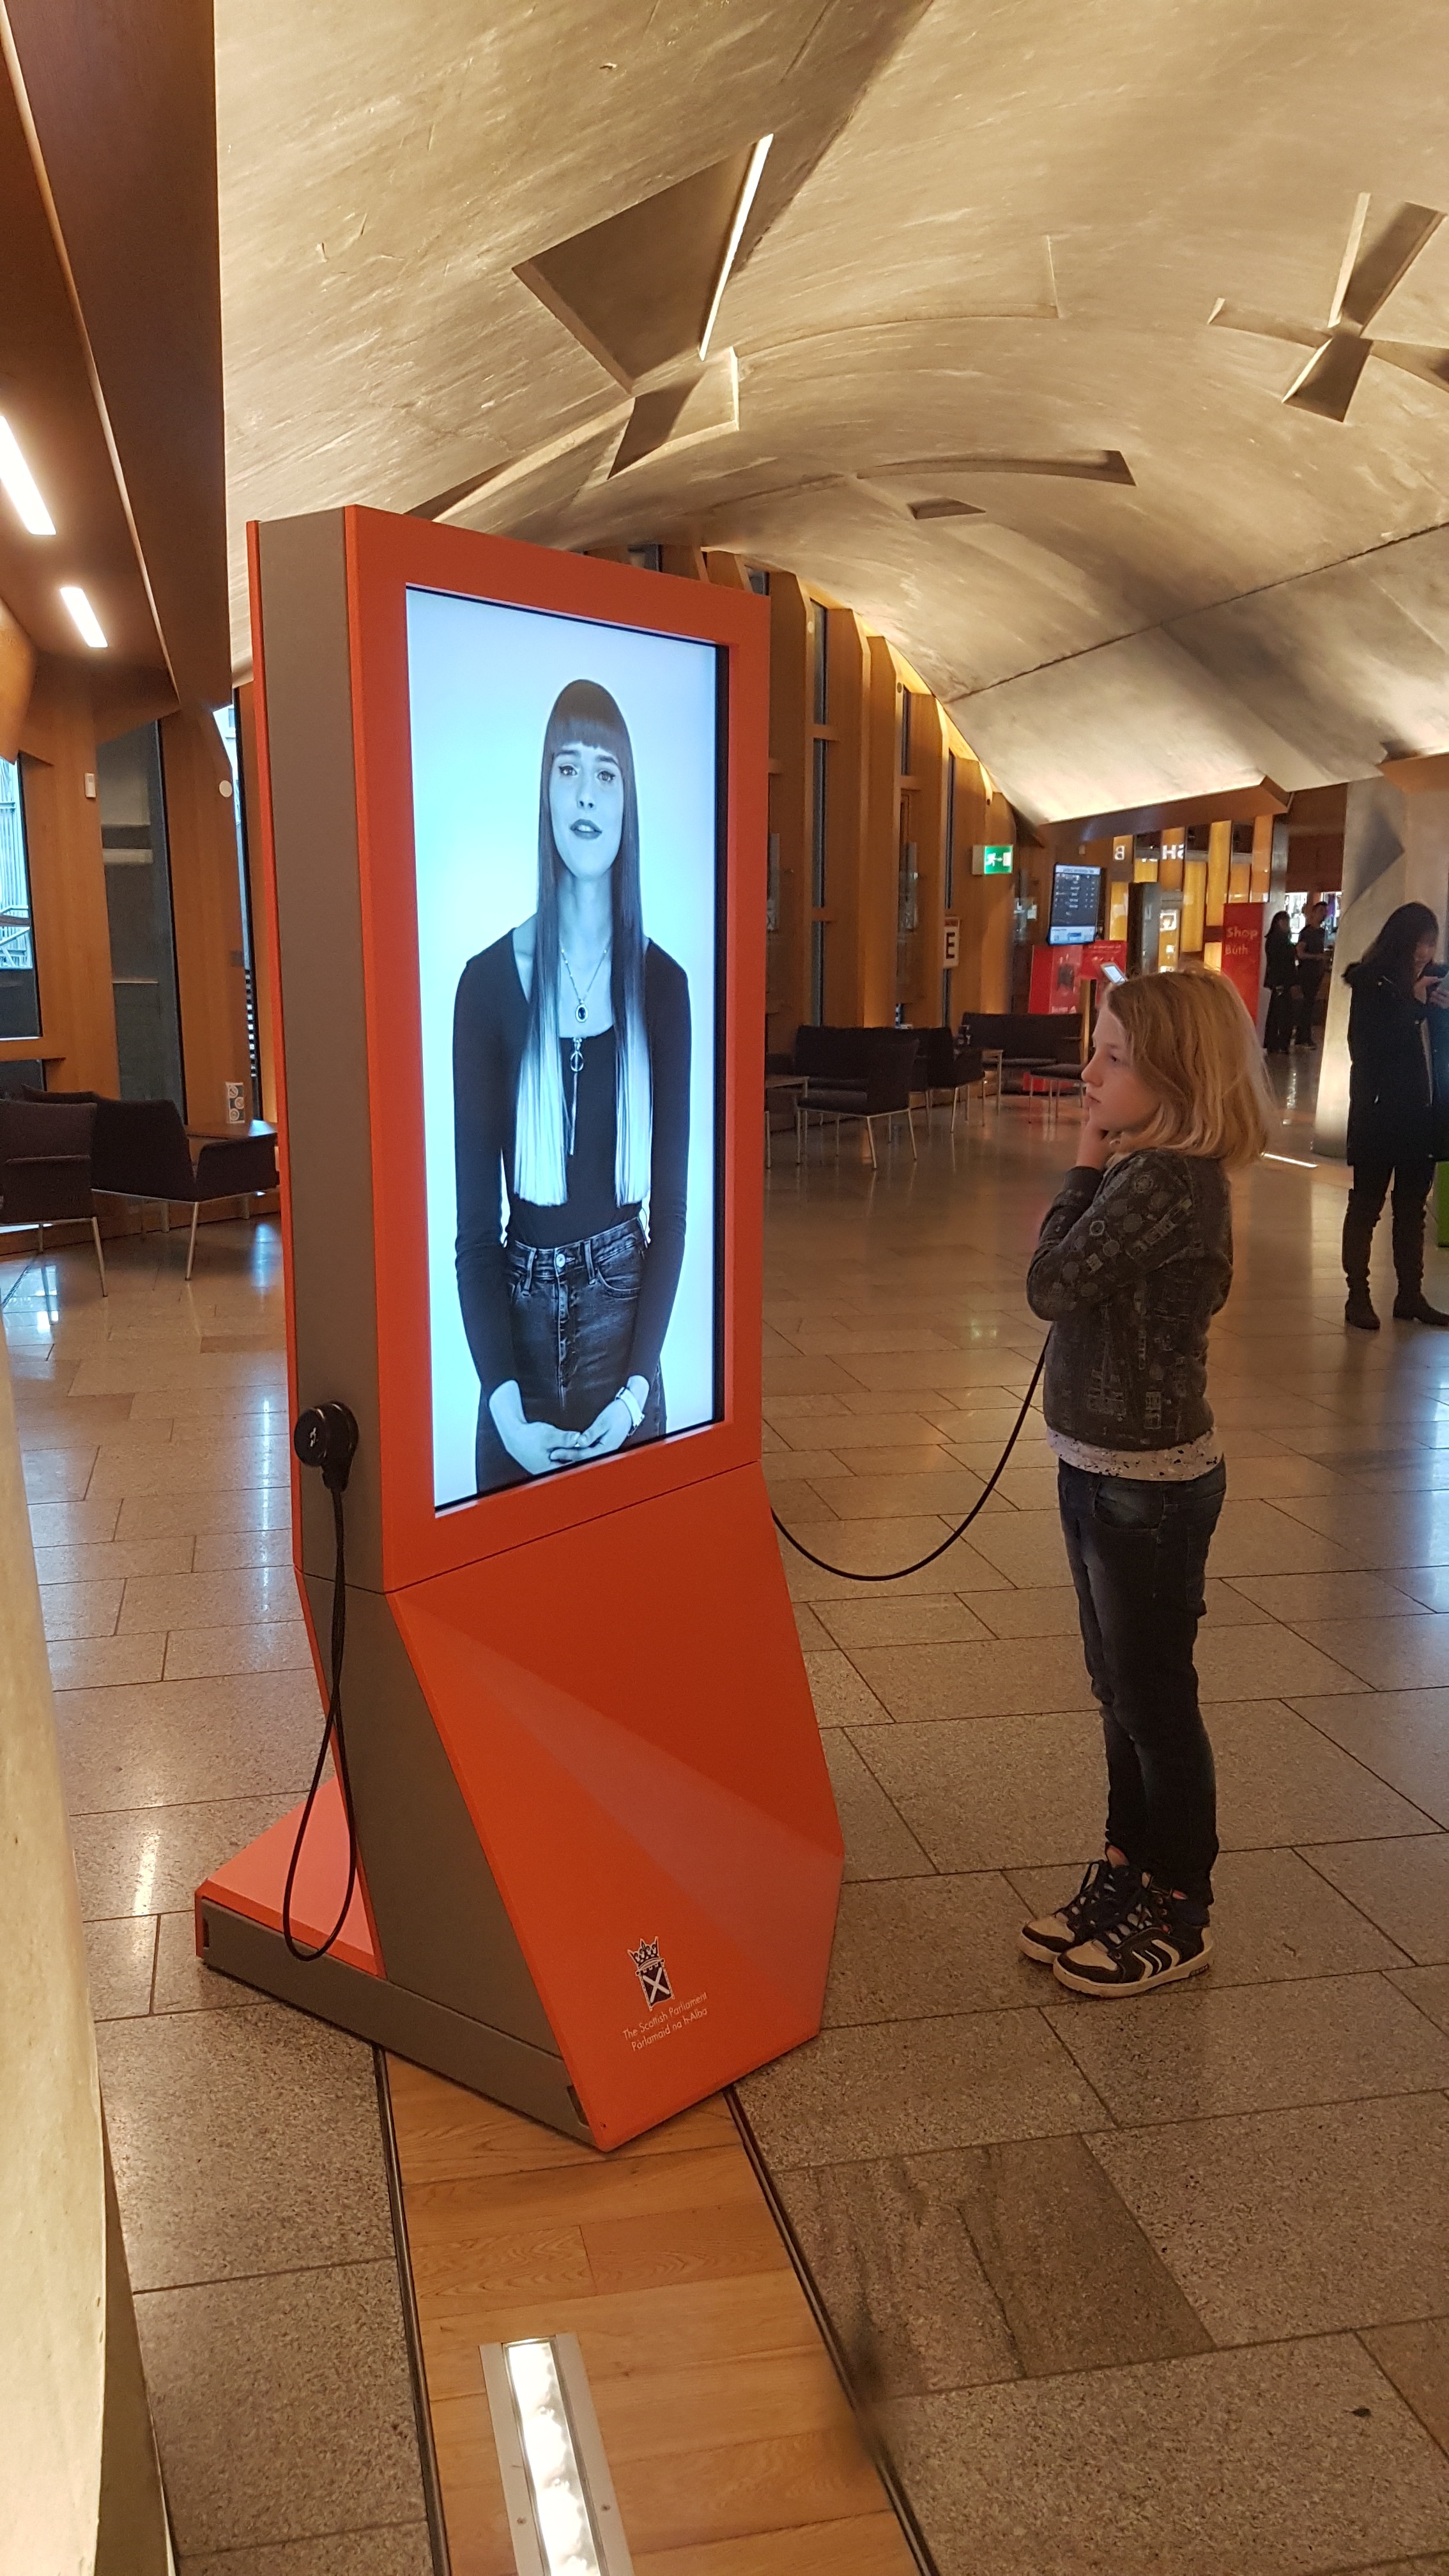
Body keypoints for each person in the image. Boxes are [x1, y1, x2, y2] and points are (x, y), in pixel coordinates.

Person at [1018, 969, 1271, 1996]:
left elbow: (1050, 1282)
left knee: (1154, 1699)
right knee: (1118, 1689)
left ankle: (1181, 1903)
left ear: (1175, 1077)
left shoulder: (1163, 1180)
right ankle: (1128, 1866)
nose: (1089, 1072)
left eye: (1114, 1058)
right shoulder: (1150, 1170)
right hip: (1102, 1469)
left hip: (1147, 1489)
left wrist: (1083, 1161)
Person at [452, 677, 690, 1491]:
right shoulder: (486, 983)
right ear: (546, 792)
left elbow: (673, 1215)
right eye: (568, 769)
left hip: (626, 1341)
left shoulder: (663, 986)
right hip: (513, 1343)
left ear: (627, 801)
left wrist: (634, 1397)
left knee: (629, 1566)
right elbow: (475, 1235)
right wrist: (504, 1409)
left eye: (606, 772)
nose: (586, 794)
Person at [1342, 900, 1449, 1332]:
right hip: (1380, 1113)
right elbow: (1368, 1050)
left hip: (1423, 1115)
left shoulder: (1434, 981)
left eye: (1431, 943)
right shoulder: (1372, 984)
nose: (1425, 953)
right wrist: (1415, 1006)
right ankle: (1358, 1295)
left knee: (1411, 1208)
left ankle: (1410, 1295)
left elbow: (1436, 1048)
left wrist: (1440, 1009)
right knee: (1367, 1205)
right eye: (1419, 943)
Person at [1293, 899, 1330, 1046]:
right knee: (1307, 1004)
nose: (1323, 915)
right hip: (1307, 973)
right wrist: (1317, 957)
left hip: (1317, 973)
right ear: (1313, 913)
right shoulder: (1307, 933)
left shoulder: (1321, 932)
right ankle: (1304, 1036)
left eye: (1325, 912)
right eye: (1321, 911)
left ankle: (1303, 1036)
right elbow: (1300, 953)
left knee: (1310, 1004)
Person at [1263, 908, 1296, 1054]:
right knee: (1282, 1013)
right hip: (1281, 981)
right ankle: (1279, 1042)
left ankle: (1277, 1042)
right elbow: (1279, 963)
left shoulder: (1279, 940)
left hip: (1282, 981)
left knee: (1279, 1012)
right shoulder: (1277, 941)